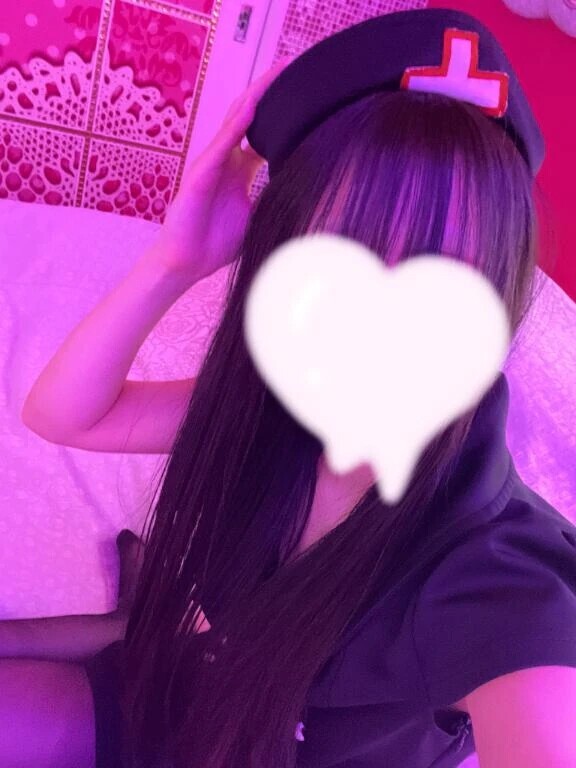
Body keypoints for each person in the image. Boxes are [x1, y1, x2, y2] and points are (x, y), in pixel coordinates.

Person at [5, 7, 576, 768]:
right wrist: (176, 262)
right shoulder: (280, 406)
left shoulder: (497, 577)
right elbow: (64, 414)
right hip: (178, 694)